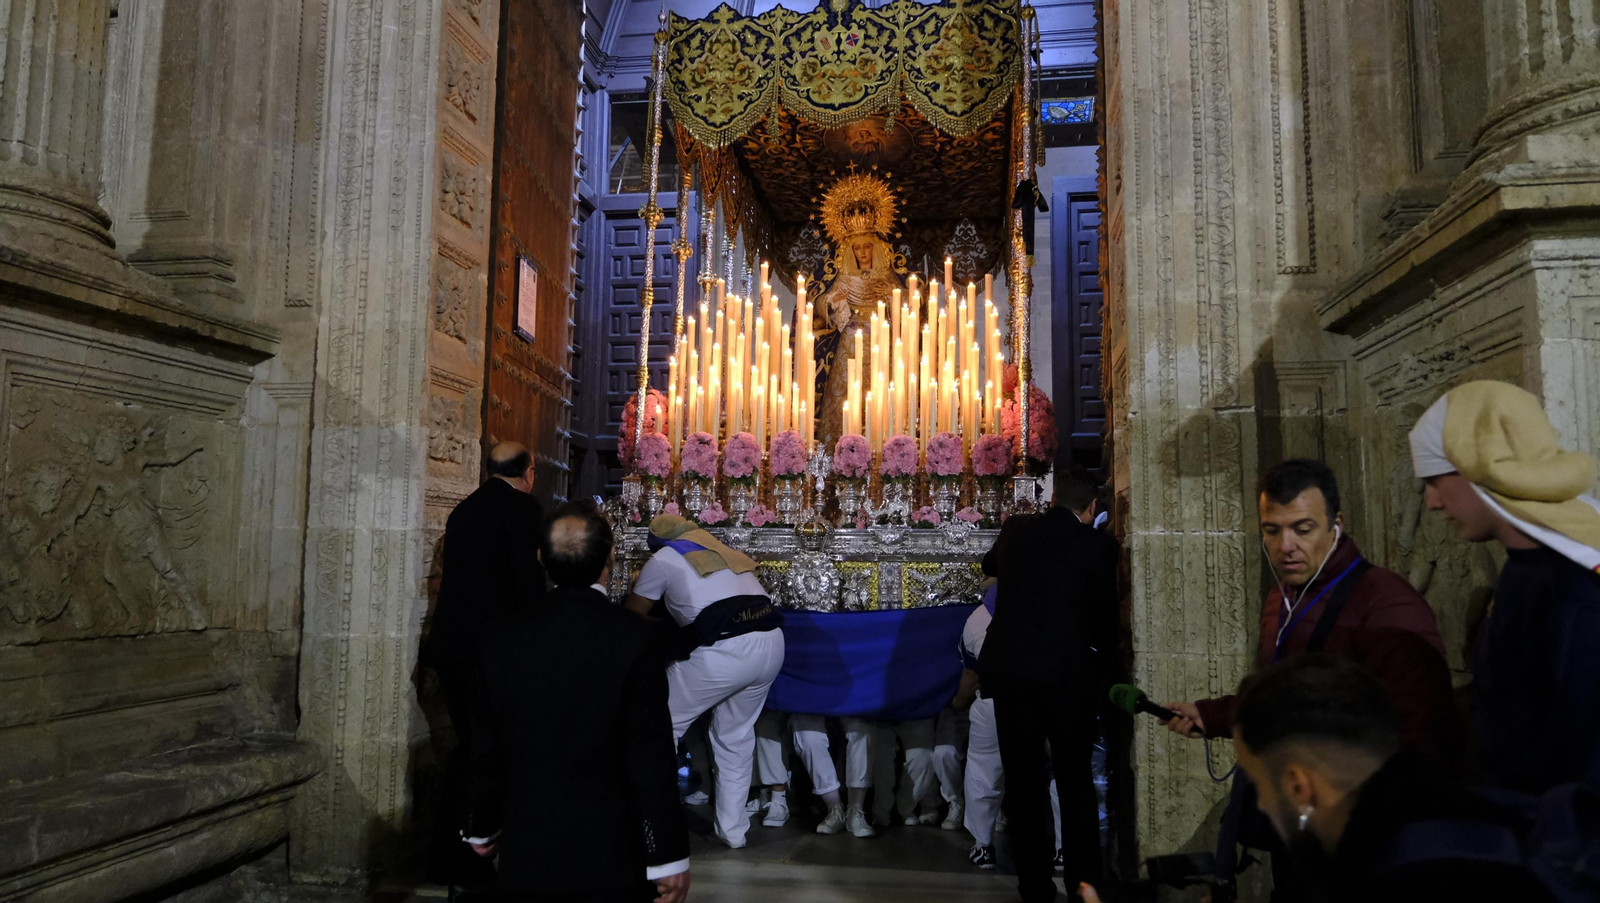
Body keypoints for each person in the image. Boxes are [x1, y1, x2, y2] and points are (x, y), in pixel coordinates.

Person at [1160, 459, 1460, 901]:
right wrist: (1213, 715)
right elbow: (1285, 697)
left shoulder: (1386, 603)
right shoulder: (1281, 599)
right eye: (1272, 530)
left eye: (1303, 528)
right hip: (1298, 825)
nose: (1286, 546)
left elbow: (1422, 731)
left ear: (1335, 524)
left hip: (1357, 834)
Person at [464, 502, 689, 903]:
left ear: (540, 559)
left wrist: (481, 824)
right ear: (611, 558)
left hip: (528, 849)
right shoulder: (637, 638)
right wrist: (667, 856)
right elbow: (650, 755)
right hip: (612, 853)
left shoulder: (500, 638)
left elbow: (485, 746)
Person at [1227, 654, 1550, 903]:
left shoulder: (1407, 881)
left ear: (1298, 786)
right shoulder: (1481, 824)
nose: (1261, 803)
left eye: (1259, 785)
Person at [1408, 380, 1600, 791]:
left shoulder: (1577, 587)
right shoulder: (1525, 570)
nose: (1432, 502)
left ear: (1480, 468)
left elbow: (1584, 757)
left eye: (1436, 479)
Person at [980, 468, 1118, 902]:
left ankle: (1034, 887)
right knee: (1073, 779)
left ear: (1054, 498)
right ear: (1092, 508)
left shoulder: (1017, 535)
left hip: (1010, 672)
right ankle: (1083, 881)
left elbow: (988, 565)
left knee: (1024, 782)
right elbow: (1104, 622)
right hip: (1066, 676)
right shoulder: (1099, 547)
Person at [421, 441, 546, 898]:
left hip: (452, 650)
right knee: (491, 757)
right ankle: (476, 865)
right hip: (493, 654)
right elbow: (526, 583)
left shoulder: (463, 511)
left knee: (468, 751)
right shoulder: (523, 511)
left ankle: (447, 859)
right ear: (529, 469)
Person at [626, 514, 786, 849]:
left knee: (658, 725)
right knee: (735, 736)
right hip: (771, 645)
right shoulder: (723, 549)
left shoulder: (664, 558)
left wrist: (637, 582)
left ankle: (654, 825)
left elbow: (632, 616)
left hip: (724, 651)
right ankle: (733, 832)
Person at [956, 582, 1063, 871]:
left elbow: (970, 675)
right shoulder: (1048, 603)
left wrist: (957, 702)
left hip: (994, 701)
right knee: (1059, 770)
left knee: (983, 769)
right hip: (1045, 700)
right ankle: (1064, 849)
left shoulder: (977, 619)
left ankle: (983, 846)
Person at [789, 714, 878, 837]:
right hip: (812, 700)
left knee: (861, 728)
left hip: (850, 697)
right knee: (807, 734)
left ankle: (856, 811)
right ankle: (834, 810)